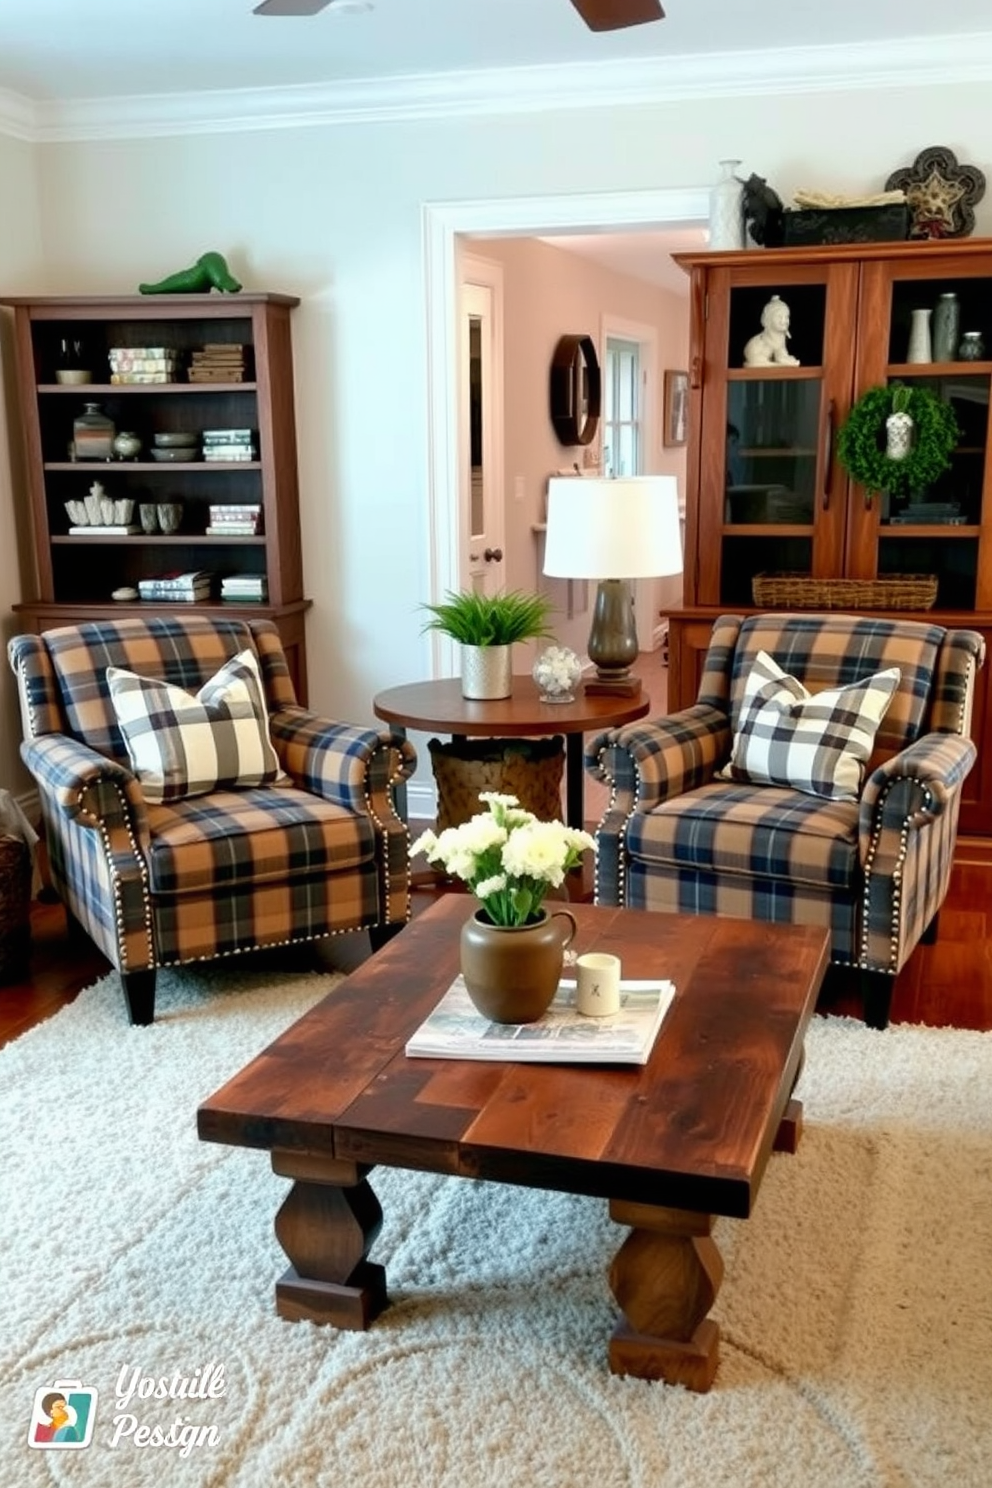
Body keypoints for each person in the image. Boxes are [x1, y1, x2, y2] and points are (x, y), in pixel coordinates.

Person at [743, 294, 801, 367]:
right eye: (779, 317)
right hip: (757, 359)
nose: (784, 321)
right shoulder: (765, 339)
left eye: (786, 317)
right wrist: (782, 363)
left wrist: (787, 359)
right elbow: (779, 357)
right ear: (769, 319)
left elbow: (782, 354)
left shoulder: (780, 337)